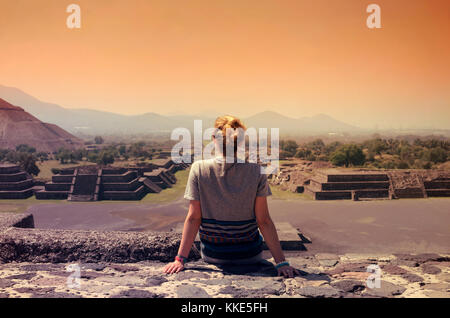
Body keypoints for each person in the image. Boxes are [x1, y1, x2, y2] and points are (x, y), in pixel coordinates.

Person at [163, 115, 298, 278]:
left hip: (214, 256)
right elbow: (264, 221)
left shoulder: (199, 169)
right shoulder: (256, 171)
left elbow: (193, 218)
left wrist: (180, 260)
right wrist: (281, 262)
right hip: (249, 256)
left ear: (213, 137)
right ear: (240, 141)